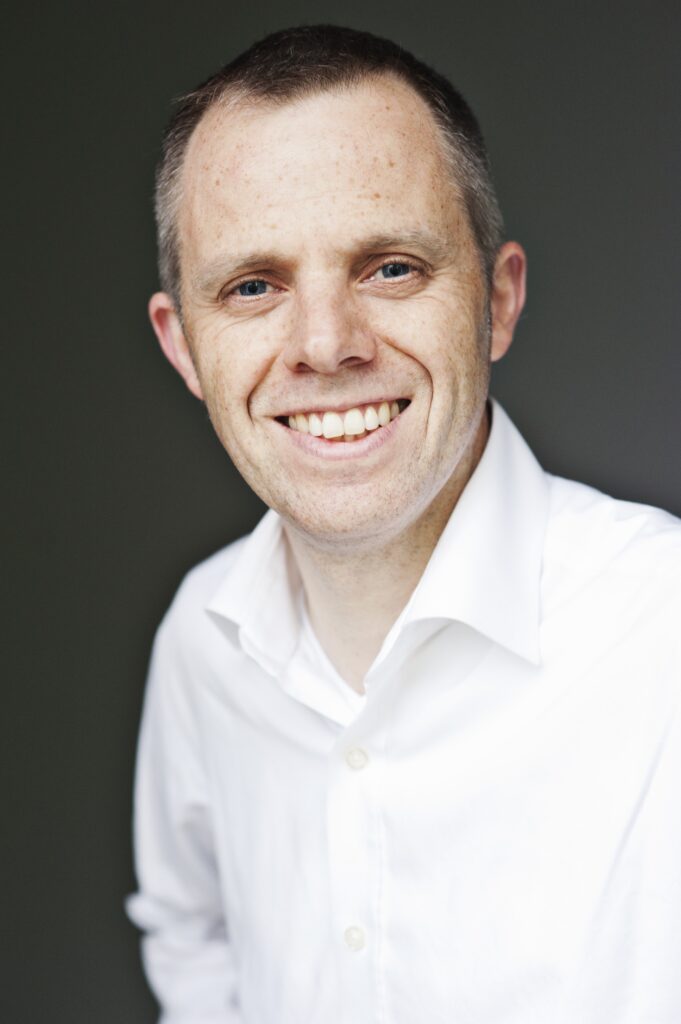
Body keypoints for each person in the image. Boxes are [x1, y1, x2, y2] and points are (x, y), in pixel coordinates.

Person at [126, 24, 681, 1024]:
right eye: (254, 286)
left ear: (498, 301)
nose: (327, 344)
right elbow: (189, 937)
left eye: (389, 267)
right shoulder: (201, 641)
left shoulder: (664, 630)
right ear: (184, 349)